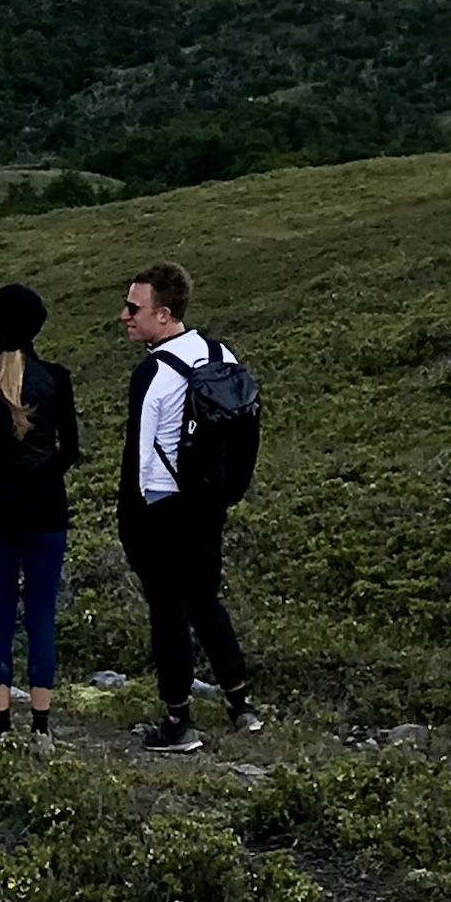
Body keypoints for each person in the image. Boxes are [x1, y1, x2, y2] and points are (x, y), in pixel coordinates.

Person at [117, 259, 260, 754]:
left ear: (163, 313)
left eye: (134, 307)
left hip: (162, 508)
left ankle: (178, 722)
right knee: (205, 600)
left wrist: (130, 523)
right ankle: (242, 705)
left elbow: (139, 459)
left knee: (168, 612)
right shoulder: (221, 353)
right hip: (209, 504)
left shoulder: (152, 373)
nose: (125, 316)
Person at [0, 283, 80, 742]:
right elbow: (69, 449)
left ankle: (0, 725)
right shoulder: (57, 377)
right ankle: (42, 725)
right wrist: (43, 472)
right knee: (41, 613)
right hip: (45, 508)